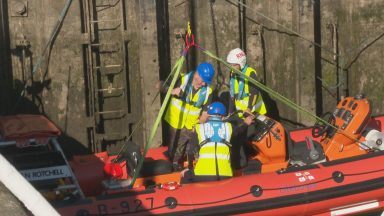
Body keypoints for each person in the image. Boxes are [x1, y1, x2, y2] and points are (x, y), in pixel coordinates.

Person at [162, 62, 215, 171]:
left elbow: (205, 113)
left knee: (192, 146)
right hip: (175, 121)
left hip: (191, 124)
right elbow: (159, 85)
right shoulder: (182, 80)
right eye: (203, 81)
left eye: (206, 82)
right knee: (176, 147)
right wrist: (171, 91)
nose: (204, 84)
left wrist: (199, 125)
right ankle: (174, 163)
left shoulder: (208, 91)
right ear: (197, 74)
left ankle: (192, 164)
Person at [226, 48, 267, 169]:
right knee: (234, 131)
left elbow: (254, 92)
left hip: (253, 112)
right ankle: (237, 159)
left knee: (244, 134)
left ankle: (243, 162)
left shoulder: (250, 73)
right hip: (240, 113)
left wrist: (249, 109)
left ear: (241, 64)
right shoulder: (233, 74)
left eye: (233, 65)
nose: (231, 67)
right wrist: (230, 112)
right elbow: (232, 95)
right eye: (230, 65)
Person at [181, 102, 233, 183]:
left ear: (208, 114)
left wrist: (190, 167)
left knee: (185, 176)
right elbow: (239, 130)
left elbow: (190, 151)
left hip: (203, 173)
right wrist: (245, 124)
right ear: (223, 116)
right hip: (226, 174)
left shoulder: (199, 128)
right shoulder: (229, 127)